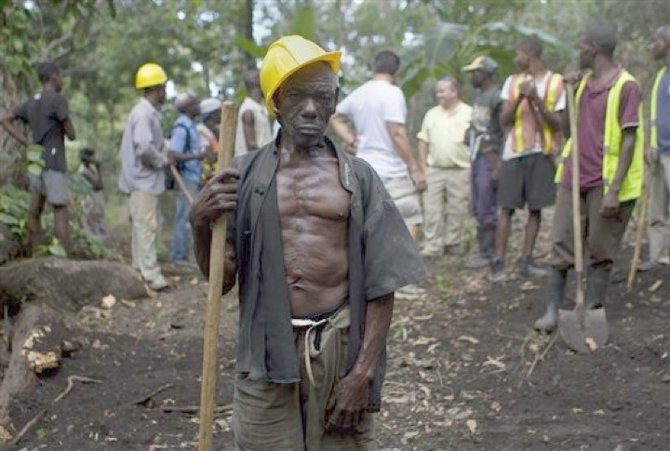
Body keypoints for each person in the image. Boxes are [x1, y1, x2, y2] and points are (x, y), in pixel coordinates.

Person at [190, 35, 426, 450]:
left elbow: (382, 282)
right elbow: (221, 282)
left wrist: (363, 372)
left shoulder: (359, 178)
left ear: (335, 103)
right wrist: (199, 224)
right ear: (276, 101)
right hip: (264, 352)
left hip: (338, 351)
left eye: (323, 96)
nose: (312, 108)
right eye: (299, 95)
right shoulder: (241, 178)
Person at [534, 27, 644, 332]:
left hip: (607, 182)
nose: (578, 52)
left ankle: (592, 309)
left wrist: (615, 191)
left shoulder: (627, 86)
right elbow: (569, 130)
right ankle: (552, 310)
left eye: (581, 46)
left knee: (600, 247)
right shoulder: (581, 84)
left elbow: (630, 141)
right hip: (574, 175)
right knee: (561, 242)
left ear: (594, 49)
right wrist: (569, 94)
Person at [331, 50, 426, 299]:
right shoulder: (392, 93)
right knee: (409, 216)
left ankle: (365, 281)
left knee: (367, 222)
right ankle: (402, 282)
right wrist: (414, 167)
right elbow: (396, 132)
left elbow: (335, 115)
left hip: (363, 167)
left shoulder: (361, 92)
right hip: (390, 168)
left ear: (374, 68)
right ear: (396, 72)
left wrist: (351, 140)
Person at [490, 38, 565, 282]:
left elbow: (558, 123)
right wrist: (521, 98)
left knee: (535, 208)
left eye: (518, 54)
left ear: (529, 55)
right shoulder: (512, 82)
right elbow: (504, 121)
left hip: (541, 152)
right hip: (514, 151)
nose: (515, 59)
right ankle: (498, 261)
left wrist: (537, 99)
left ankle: (526, 259)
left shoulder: (556, 82)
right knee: (507, 208)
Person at [0, 61, 76, 255]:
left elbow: (5, 119)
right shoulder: (58, 100)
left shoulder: (32, 101)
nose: (62, 80)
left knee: (35, 211)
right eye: (60, 76)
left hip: (36, 162)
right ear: (53, 77)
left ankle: (37, 255)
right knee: (60, 209)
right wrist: (65, 127)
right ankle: (65, 260)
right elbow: (71, 134)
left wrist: (26, 142)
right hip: (55, 161)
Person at [118, 63, 171, 291]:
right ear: (157, 88)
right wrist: (163, 160)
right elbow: (143, 147)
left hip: (143, 181)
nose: (165, 92)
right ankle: (151, 274)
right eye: (163, 87)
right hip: (143, 181)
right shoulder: (142, 114)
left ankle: (140, 269)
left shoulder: (146, 113)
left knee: (142, 226)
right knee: (147, 226)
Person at [417, 76, 472, 257]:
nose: (438, 94)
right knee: (432, 209)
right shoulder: (431, 114)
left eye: (442, 91)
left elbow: (476, 143)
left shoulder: (469, 113)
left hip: (461, 169)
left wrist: (472, 167)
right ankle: (432, 245)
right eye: (438, 91)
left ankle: (453, 243)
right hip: (435, 170)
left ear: (454, 92)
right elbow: (423, 141)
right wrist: (423, 168)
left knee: (458, 209)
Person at [462, 56, 504, 269]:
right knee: (479, 204)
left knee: (487, 204)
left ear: (485, 73)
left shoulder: (497, 98)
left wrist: (498, 165)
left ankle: (488, 252)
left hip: (490, 157)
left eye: (475, 72)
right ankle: (483, 249)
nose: (472, 77)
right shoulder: (479, 96)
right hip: (477, 155)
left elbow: (503, 131)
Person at [640, 26, 670, 271]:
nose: (653, 45)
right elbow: (654, 115)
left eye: (657, 40)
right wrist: (650, 144)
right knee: (656, 208)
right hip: (659, 153)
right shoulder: (661, 75)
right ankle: (657, 255)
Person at [168, 92, 204, 264]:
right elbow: (174, 154)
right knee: (183, 216)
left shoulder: (189, 125)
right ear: (188, 107)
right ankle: (178, 256)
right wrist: (197, 156)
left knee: (187, 216)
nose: (199, 106)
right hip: (186, 177)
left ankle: (182, 255)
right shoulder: (182, 126)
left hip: (193, 177)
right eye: (195, 103)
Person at [234, 69, 273, 157]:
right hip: (252, 163)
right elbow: (251, 145)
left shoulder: (260, 108)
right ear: (260, 84)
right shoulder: (248, 110)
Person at [77, 148, 107, 236]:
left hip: (95, 204)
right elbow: (97, 186)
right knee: (93, 231)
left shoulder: (91, 169)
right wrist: (98, 169)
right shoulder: (83, 172)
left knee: (99, 229)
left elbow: (101, 186)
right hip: (89, 205)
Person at [197, 97, 222, 181]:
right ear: (213, 115)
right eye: (220, 112)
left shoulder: (210, 131)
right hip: (204, 179)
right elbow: (211, 158)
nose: (222, 115)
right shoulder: (201, 131)